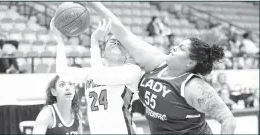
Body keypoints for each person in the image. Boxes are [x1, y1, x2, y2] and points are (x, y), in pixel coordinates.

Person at [88, 2, 236, 134]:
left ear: (190, 63)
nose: (173, 48)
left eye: (180, 49)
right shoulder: (157, 62)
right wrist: (92, 3)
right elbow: (121, 31)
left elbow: (228, 120)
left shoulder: (194, 87)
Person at [48, 15, 142, 134]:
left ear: (127, 54)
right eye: (112, 41)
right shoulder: (91, 73)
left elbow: (99, 76)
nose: (116, 42)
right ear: (103, 53)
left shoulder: (132, 71)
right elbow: (62, 71)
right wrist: (60, 41)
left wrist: (94, 41)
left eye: (120, 42)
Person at [32, 26, 83, 134]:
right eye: (62, 85)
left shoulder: (77, 115)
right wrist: (60, 40)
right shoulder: (47, 114)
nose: (68, 87)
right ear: (53, 91)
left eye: (70, 84)